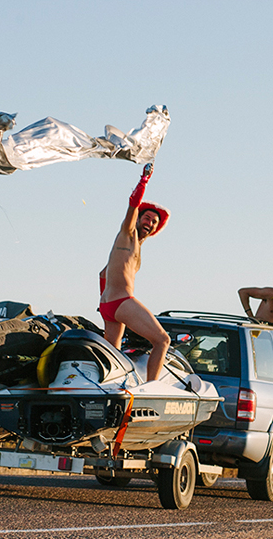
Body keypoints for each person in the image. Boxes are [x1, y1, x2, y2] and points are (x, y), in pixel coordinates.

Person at [99, 163, 171, 381]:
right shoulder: (127, 234)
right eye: (147, 218)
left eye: (154, 222)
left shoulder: (135, 247)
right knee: (162, 340)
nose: (149, 223)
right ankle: (152, 386)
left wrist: (103, 299)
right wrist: (144, 180)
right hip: (121, 302)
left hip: (110, 306)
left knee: (113, 354)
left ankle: (108, 388)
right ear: (139, 219)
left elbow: (103, 273)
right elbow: (133, 205)